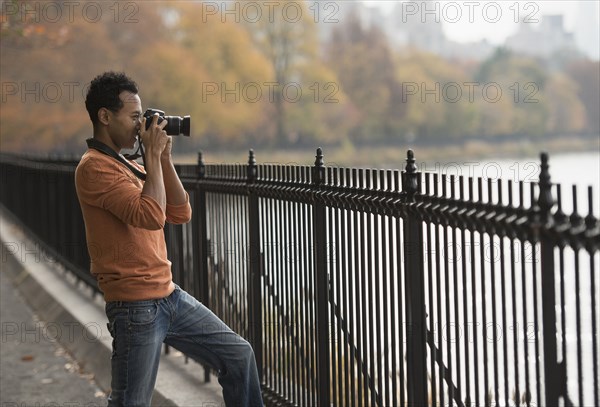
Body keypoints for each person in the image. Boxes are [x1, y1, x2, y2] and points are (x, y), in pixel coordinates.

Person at [75, 71, 263, 407]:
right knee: (131, 402)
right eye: (134, 117)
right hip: (135, 306)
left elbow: (179, 212)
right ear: (105, 116)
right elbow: (149, 216)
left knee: (238, 355)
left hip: (168, 295)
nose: (139, 125)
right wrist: (150, 154)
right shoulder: (94, 168)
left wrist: (162, 158)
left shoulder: (127, 163)